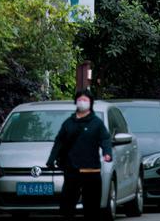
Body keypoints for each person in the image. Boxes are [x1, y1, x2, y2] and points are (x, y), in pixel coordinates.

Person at [46, 89, 112, 220]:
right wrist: (51, 159)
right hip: (72, 169)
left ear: (91, 103)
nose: (82, 102)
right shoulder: (68, 123)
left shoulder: (97, 123)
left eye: (85, 100)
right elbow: (59, 142)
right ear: (76, 102)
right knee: (67, 204)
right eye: (80, 99)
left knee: (92, 205)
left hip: (91, 169)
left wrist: (107, 153)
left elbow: (105, 139)